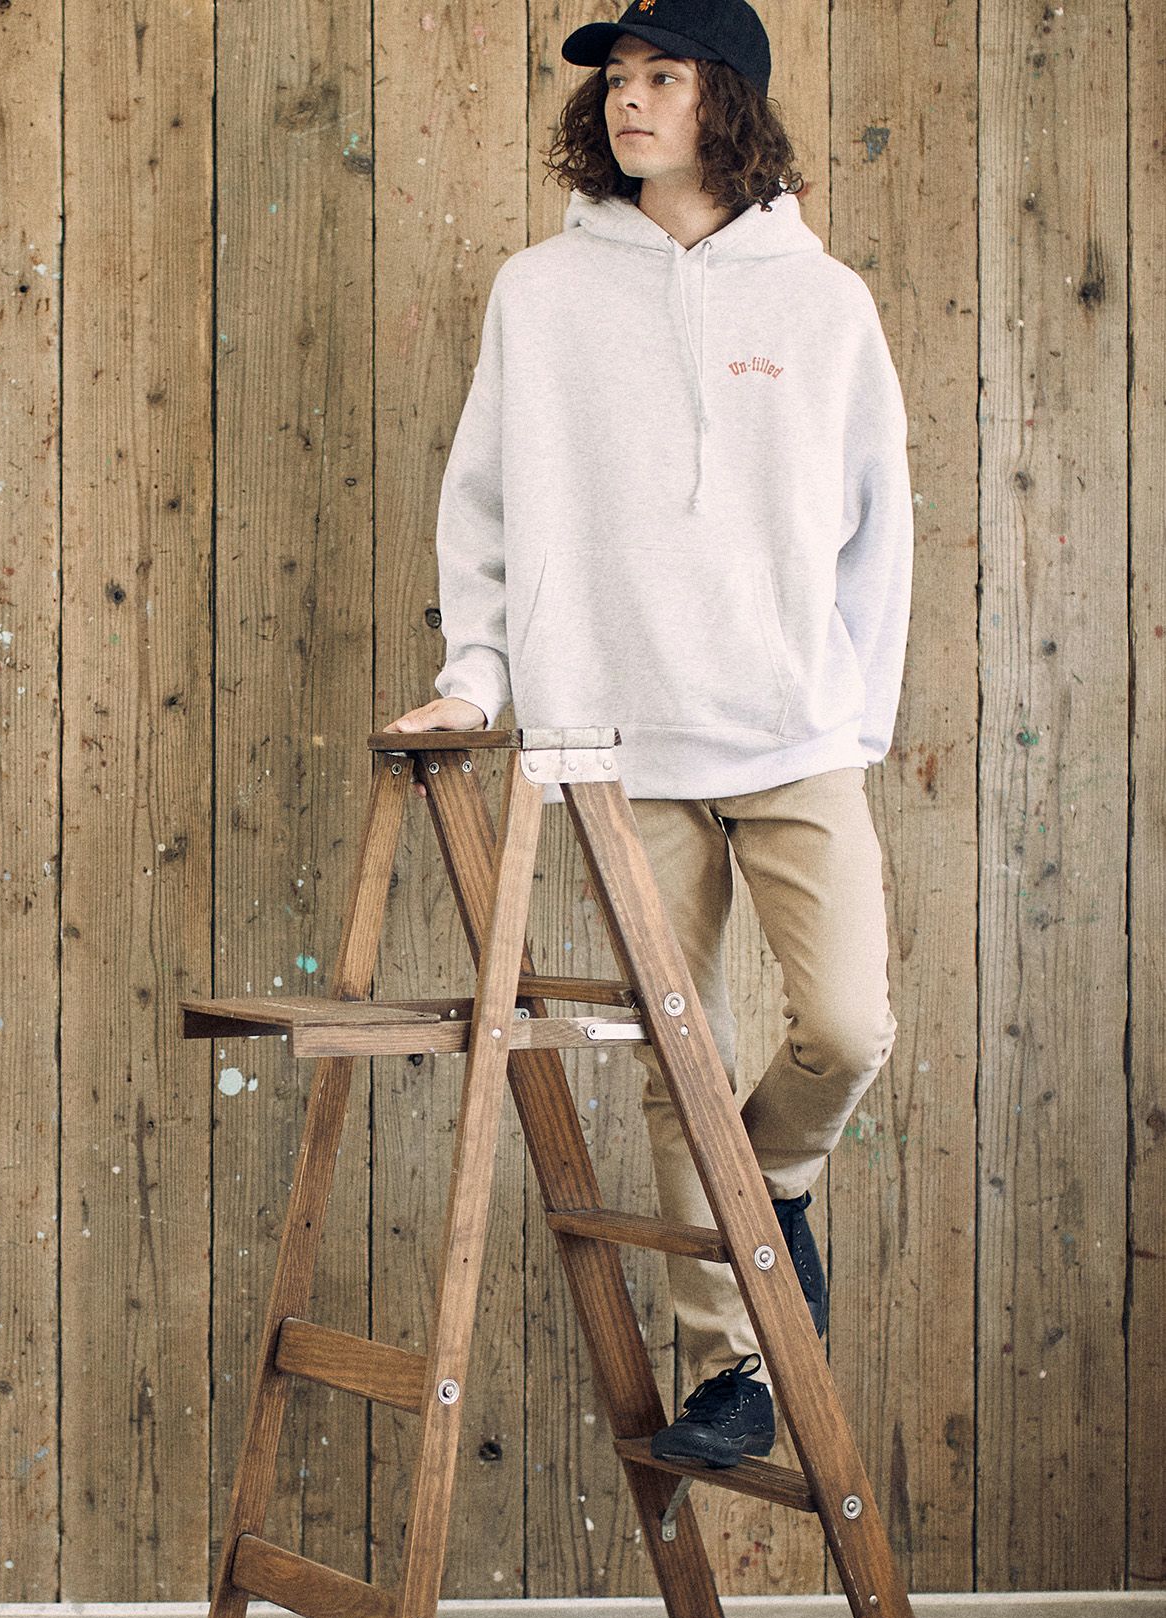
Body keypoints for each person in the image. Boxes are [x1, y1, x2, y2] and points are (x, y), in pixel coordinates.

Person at [382, 0, 912, 1471]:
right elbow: (482, 506)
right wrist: (480, 679)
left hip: (795, 734)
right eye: (617, 78)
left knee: (847, 1027)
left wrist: (852, 712)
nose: (629, 100)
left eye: (662, 75)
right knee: (686, 1061)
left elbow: (880, 532)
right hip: (617, 741)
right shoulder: (542, 295)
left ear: (724, 100)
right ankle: (732, 1364)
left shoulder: (825, 306)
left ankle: (774, 1189)